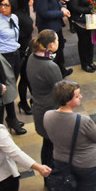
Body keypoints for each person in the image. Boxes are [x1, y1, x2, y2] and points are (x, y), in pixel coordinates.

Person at [26, 30, 63, 178]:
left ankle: (49, 177)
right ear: (51, 45)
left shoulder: (32, 57)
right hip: (50, 111)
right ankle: (51, 178)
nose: (59, 43)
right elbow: (61, 90)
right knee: (51, 148)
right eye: (57, 40)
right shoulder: (50, 66)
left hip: (39, 107)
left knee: (47, 145)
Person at [0, 0, 26, 135]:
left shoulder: (14, 18)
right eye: (1, 5)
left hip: (15, 54)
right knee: (8, 88)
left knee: (12, 85)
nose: (3, 8)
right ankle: (11, 118)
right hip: (4, 57)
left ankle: (12, 117)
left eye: (6, 5)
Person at [32, 0, 72, 77]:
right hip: (48, 25)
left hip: (55, 23)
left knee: (60, 47)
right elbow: (44, 12)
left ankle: (61, 69)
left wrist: (61, 7)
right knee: (52, 51)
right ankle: (55, 74)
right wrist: (61, 13)